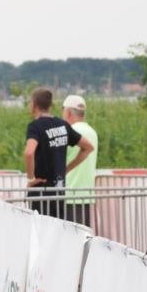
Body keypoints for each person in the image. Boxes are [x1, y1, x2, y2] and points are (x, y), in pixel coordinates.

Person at [24, 87, 94, 218]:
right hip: (59, 191)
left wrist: (31, 178)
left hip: (41, 192)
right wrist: (66, 169)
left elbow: (29, 152)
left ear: (33, 104)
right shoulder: (62, 125)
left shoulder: (35, 126)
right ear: (51, 105)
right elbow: (88, 147)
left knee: (42, 232)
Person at [62, 95, 98, 228]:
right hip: (86, 194)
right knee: (83, 235)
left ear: (68, 112)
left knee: (68, 236)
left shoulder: (70, 132)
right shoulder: (92, 132)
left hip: (69, 193)